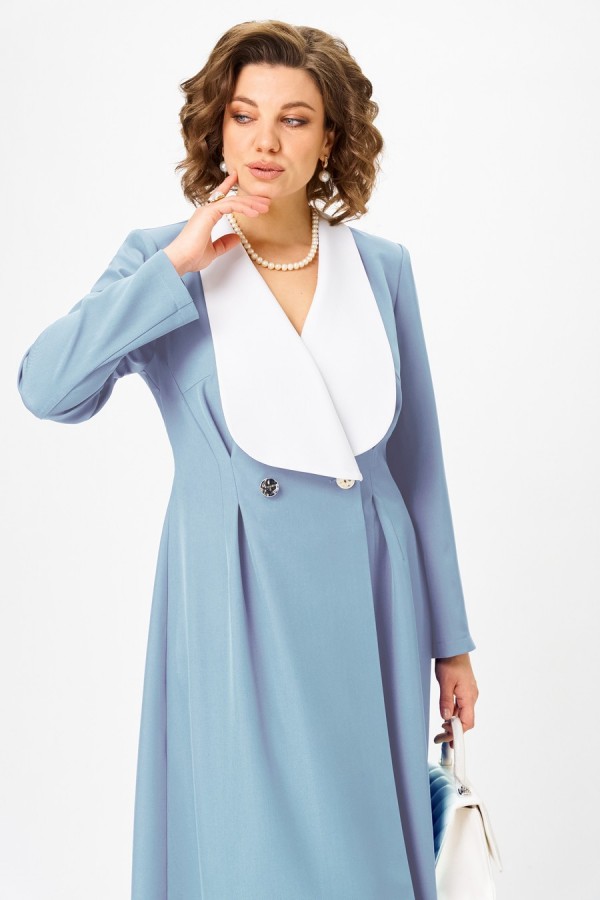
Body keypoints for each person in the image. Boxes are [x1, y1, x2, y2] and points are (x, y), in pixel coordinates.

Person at [16, 19, 479, 900]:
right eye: (244, 115)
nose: (266, 140)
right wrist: (177, 265)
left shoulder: (382, 267)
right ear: (218, 130)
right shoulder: (164, 257)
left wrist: (450, 642)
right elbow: (47, 388)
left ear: (329, 140)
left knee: (362, 852)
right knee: (249, 854)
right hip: (236, 595)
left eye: (294, 119)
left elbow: (418, 465)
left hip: (375, 596)